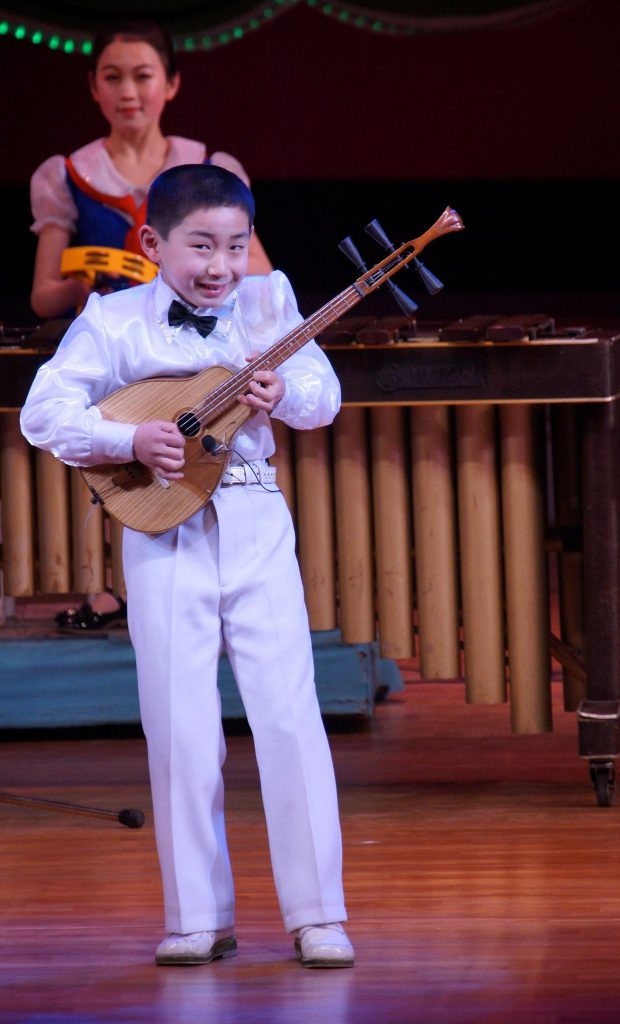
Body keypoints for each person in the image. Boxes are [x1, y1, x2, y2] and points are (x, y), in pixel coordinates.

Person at [20, 163, 355, 969]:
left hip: (253, 517)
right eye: (200, 245)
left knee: (286, 715)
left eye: (235, 246)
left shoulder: (269, 302)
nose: (219, 265)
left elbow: (323, 394)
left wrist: (287, 394)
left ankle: (317, 916)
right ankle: (197, 916)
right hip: (161, 531)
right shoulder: (112, 320)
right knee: (180, 726)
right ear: (152, 244)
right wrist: (125, 438)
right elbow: (44, 410)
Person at [29, 18, 271, 630]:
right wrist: (88, 282)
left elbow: (261, 279)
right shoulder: (67, 174)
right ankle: (117, 591)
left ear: (172, 83)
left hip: (198, 360)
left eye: (143, 76)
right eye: (113, 77)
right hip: (119, 357)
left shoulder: (208, 169)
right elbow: (42, 296)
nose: (129, 91)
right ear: (94, 87)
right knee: (123, 473)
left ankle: (217, 596)